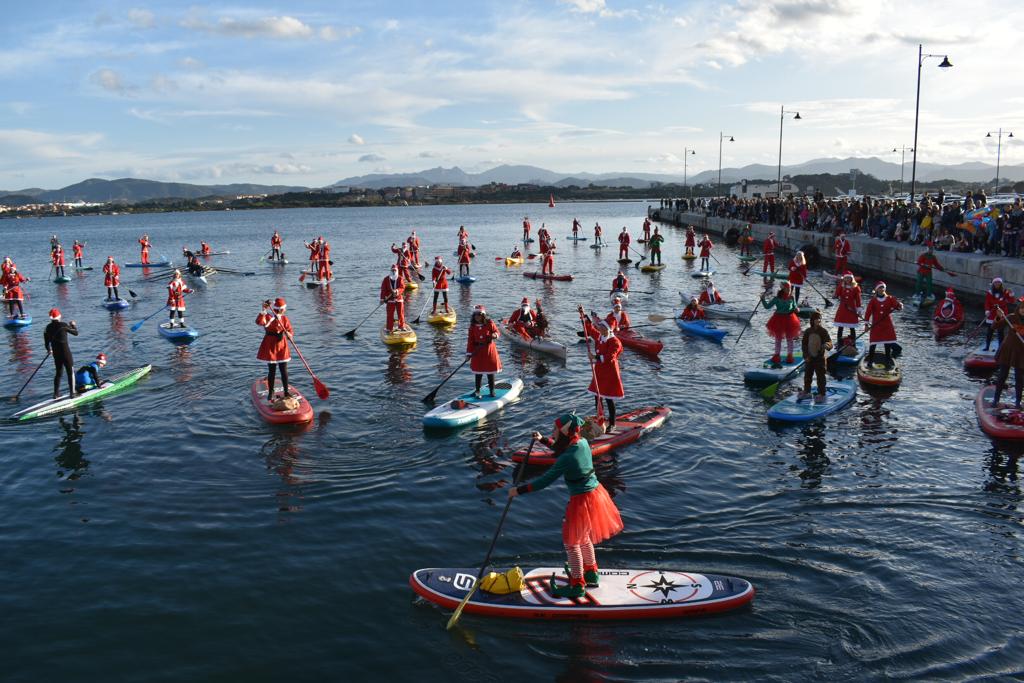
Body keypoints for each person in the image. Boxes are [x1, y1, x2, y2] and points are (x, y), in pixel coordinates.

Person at [509, 412, 623, 599]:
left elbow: (545, 480)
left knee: (571, 543)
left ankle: (577, 584)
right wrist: (543, 440)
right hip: (596, 495)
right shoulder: (582, 442)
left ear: (564, 432)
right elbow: (562, 449)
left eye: (555, 430)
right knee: (584, 537)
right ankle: (591, 573)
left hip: (581, 500)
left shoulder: (566, 458)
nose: (553, 432)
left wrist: (519, 491)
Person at [582, 309, 624, 431]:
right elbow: (590, 330)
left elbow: (610, 357)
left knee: (608, 398)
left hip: (610, 372)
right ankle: (600, 419)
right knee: (597, 396)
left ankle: (612, 423)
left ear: (607, 329)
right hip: (599, 370)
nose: (598, 328)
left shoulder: (615, 342)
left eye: (601, 326)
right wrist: (583, 316)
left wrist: (594, 357)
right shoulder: (600, 335)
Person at [256, 298, 292, 400]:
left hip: (282, 346)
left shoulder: (284, 319)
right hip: (270, 345)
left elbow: (289, 330)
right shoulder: (267, 317)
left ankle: (286, 392)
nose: (285, 310)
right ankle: (271, 393)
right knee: (272, 371)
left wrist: (289, 334)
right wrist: (263, 310)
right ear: (281, 309)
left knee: (284, 370)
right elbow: (259, 322)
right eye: (284, 308)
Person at [991, 298, 1024, 408]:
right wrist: (999, 316)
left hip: (1021, 352)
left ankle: (1018, 403)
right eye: (1022, 308)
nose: (1023, 310)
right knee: (1002, 375)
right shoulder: (1011, 317)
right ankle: (995, 400)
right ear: (1019, 308)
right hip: (1008, 350)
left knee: (1019, 378)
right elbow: (994, 326)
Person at [862, 282, 903, 369]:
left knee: (887, 344)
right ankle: (870, 361)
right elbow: (868, 312)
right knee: (873, 343)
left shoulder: (890, 298)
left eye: (883, 288)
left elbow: (897, 307)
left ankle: (887, 361)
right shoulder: (873, 300)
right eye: (880, 288)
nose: (882, 289)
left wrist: (900, 305)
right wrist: (866, 324)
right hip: (876, 325)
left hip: (887, 325)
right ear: (877, 290)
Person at [762, 281, 801, 366]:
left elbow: (795, 307)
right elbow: (767, 307)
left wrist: (797, 309)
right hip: (778, 319)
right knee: (778, 339)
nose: (790, 290)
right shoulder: (776, 298)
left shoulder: (791, 297)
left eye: (790, 288)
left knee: (790, 339)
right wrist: (762, 299)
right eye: (788, 288)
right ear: (783, 288)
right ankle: (777, 356)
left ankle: (790, 356)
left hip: (790, 319)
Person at [798, 311, 833, 404]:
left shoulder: (823, 331)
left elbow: (830, 342)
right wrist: (805, 356)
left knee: (821, 377)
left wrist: (827, 345)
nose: (818, 320)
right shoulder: (808, 331)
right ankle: (807, 391)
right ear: (812, 320)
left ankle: (822, 394)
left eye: (819, 318)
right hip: (809, 358)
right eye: (816, 319)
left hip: (820, 359)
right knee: (807, 376)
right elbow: (804, 345)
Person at [467, 305, 501, 398]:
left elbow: (497, 332)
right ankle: (477, 391)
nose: (477, 316)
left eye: (479, 314)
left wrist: (494, 335)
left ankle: (492, 391)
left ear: (483, 315)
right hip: (477, 351)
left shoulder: (489, 323)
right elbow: (470, 341)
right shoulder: (472, 327)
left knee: (490, 372)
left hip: (489, 350)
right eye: (475, 315)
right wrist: (468, 354)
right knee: (478, 373)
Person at [44, 308, 78, 399]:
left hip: (56, 353)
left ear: (50, 318)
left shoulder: (47, 328)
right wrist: (73, 325)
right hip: (65, 352)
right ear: (59, 316)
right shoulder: (63, 325)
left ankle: (56, 394)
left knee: (58, 373)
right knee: (70, 372)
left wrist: (49, 350)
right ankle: (72, 394)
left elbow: (46, 344)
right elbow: (76, 333)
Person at [833, 272, 863, 351]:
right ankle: (839, 344)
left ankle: (853, 344)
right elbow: (836, 294)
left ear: (851, 278)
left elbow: (858, 300)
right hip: (843, 309)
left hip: (851, 309)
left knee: (852, 328)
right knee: (840, 327)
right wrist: (835, 296)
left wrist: (859, 309)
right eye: (846, 278)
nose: (847, 279)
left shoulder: (856, 288)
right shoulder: (841, 286)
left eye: (848, 278)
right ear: (844, 278)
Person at [984, 277, 1013, 351]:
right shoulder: (990, 292)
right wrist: (987, 311)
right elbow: (987, 303)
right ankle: (987, 346)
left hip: (1001, 314)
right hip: (992, 314)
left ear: (1001, 284)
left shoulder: (1005, 292)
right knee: (990, 331)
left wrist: (1011, 294)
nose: (997, 284)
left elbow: (1012, 301)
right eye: (996, 283)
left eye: (999, 283)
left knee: (1000, 331)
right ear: (993, 284)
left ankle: (1001, 347)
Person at [380, 266, 407, 332]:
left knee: (401, 313)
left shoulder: (400, 278)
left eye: (395, 270)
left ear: (397, 271)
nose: (393, 272)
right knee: (390, 314)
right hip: (390, 299)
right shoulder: (386, 279)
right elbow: (383, 290)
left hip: (399, 299)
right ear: (390, 271)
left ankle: (401, 326)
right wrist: (382, 299)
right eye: (392, 270)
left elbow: (402, 287)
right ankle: (389, 328)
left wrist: (397, 291)